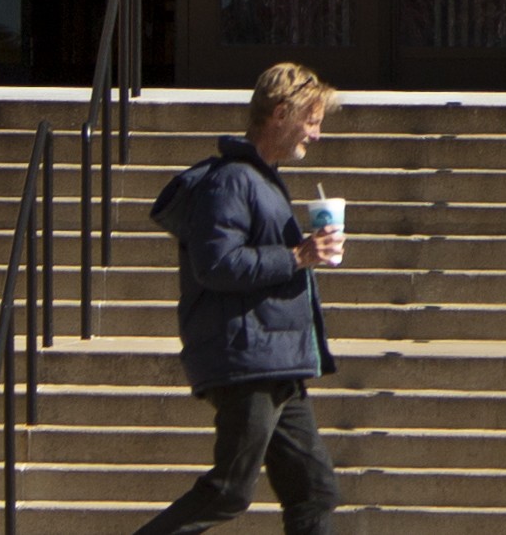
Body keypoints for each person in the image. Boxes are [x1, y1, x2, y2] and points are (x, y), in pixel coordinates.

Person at [132, 61, 349, 535]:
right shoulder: (231, 180)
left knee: (314, 489)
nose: (315, 134)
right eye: (311, 121)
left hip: (277, 361)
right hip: (248, 360)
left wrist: (304, 255)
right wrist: (297, 256)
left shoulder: (262, 178)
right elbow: (215, 264)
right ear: (280, 113)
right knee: (230, 489)